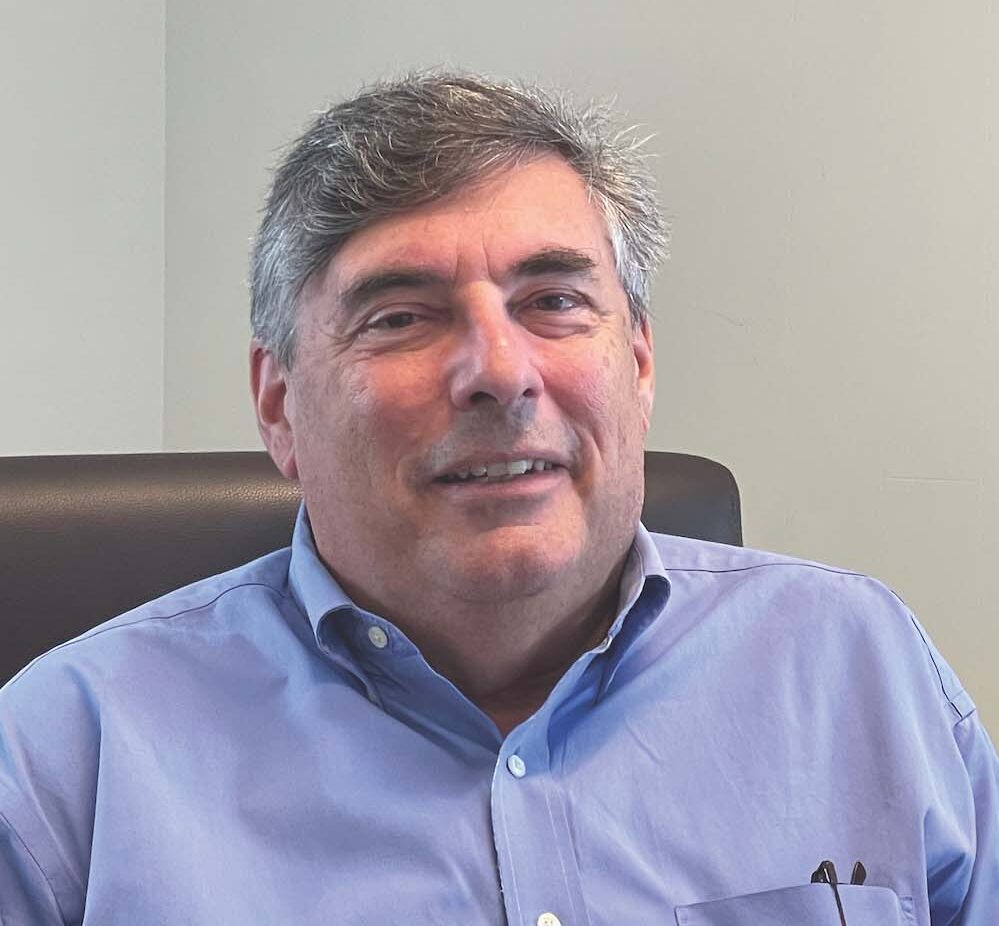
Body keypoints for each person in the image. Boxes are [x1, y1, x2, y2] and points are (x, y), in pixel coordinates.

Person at [0, 72, 995, 925]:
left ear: (638, 363)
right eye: (401, 317)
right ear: (279, 405)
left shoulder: (859, 664)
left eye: (553, 301)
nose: (501, 372)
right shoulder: (64, 758)